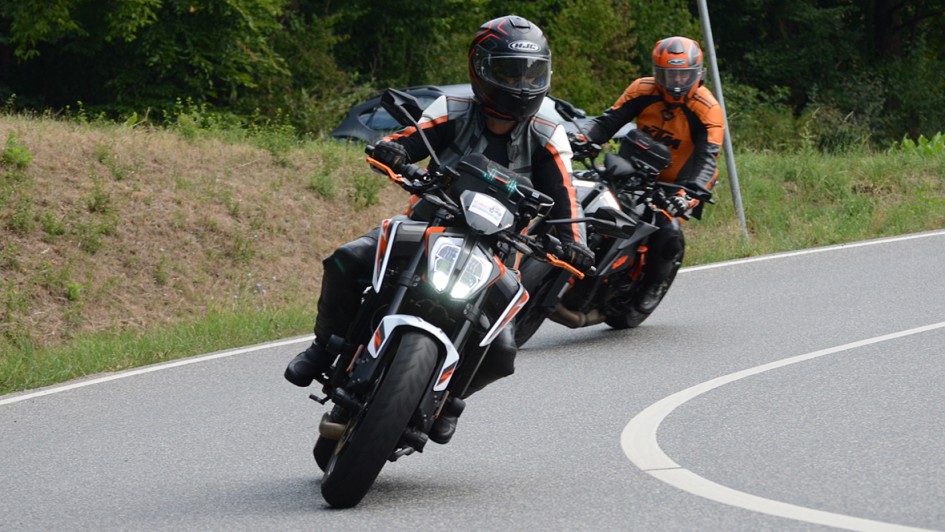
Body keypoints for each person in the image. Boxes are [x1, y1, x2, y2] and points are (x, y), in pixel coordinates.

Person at [284, 15, 593, 444]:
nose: (522, 84)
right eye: (509, 72)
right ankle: (324, 346)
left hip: (499, 251)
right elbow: (406, 141)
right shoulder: (453, 109)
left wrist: (573, 244)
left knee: (503, 351)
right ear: (480, 68)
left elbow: (566, 201)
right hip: (427, 223)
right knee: (347, 259)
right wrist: (392, 152)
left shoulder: (548, 135)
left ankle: (452, 401)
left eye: (531, 73)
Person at [582, 36, 725, 313]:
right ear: (656, 72)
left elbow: (708, 160)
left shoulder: (708, 109)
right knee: (585, 197)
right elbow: (608, 122)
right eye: (669, 75)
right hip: (629, 170)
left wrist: (689, 195)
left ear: (699, 74)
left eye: (683, 75)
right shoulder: (642, 89)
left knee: (669, 235)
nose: (676, 82)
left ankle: (654, 284)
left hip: (676, 185)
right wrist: (583, 138)